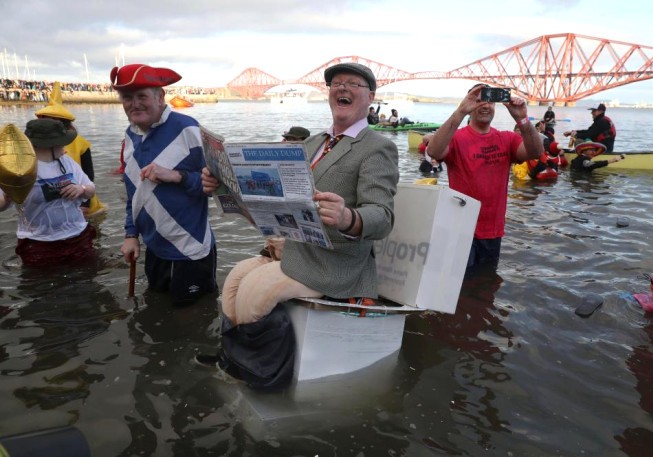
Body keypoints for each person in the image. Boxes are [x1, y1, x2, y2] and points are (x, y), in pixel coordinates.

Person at [198, 62, 399, 389]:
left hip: (334, 261)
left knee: (254, 296)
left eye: (353, 84)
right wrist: (220, 184)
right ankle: (233, 358)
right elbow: (269, 196)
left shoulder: (378, 147)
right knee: (232, 285)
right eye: (336, 83)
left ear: (370, 97)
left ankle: (261, 375)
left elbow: (383, 214)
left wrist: (349, 217)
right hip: (295, 245)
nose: (342, 88)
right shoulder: (312, 143)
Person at [110, 63, 217, 306]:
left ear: (160, 97)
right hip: (154, 248)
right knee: (156, 307)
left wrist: (177, 176)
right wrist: (131, 234)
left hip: (191, 248)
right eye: (127, 97)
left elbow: (220, 188)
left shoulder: (189, 129)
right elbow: (133, 195)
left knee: (193, 316)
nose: (134, 103)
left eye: (142, 96)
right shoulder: (130, 136)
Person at [426, 83, 543, 270]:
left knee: (486, 286)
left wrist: (522, 119)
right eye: (479, 100)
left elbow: (536, 152)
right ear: (469, 104)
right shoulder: (456, 138)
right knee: (460, 287)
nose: (485, 105)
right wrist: (460, 112)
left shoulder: (507, 139)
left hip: (493, 231)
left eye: (490, 101)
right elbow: (433, 151)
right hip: (460, 230)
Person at [0, 118, 97, 267]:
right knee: (43, 285)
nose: (65, 147)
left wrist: (81, 189)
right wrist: (8, 196)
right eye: (61, 143)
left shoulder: (67, 162)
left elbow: (91, 189)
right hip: (39, 241)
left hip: (77, 235)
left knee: (86, 276)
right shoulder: (19, 170)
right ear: (49, 145)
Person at [34, 82, 107, 217]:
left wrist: (85, 204)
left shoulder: (81, 144)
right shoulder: (35, 145)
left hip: (81, 198)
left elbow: (88, 175)